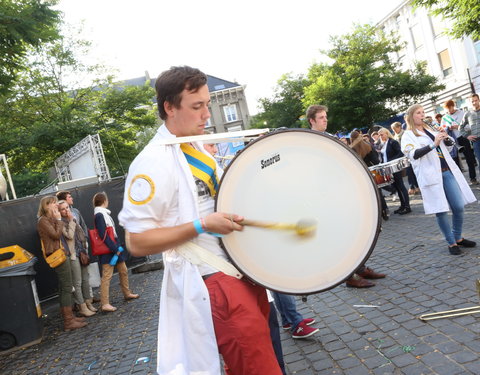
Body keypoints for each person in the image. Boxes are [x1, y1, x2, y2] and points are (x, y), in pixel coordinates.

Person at [118, 66, 282, 375]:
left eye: (207, 103)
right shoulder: (151, 163)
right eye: (197, 106)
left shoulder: (194, 146)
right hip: (212, 278)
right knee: (259, 367)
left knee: (257, 361)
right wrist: (202, 225)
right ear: (169, 108)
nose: (207, 114)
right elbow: (136, 242)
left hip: (241, 269)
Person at [401, 104, 477, 255]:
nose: (422, 115)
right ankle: (451, 242)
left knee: (458, 206)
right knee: (441, 210)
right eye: (418, 113)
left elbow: (448, 147)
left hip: (447, 171)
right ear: (411, 116)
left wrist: (445, 136)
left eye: (423, 112)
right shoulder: (408, 135)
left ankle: (458, 237)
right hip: (431, 176)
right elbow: (413, 155)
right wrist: (434, 143)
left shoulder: (431, 129)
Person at [36, 196, 87, 331]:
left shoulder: (49, 219)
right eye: (52, 203)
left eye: (54, 202)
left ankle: (70, 317)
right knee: (66, 287)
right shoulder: (43, 221)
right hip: (57, 256)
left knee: (65, 287)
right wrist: (59, 219)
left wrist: (57, 219)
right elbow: (56, 235)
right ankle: (68, 321)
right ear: (45, 206)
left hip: (62, 254)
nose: (55, 205)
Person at [93, 192, 139, 312]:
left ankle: (127, 293)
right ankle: (105, 304)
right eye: (106, 199)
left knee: (123, 271)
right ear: (104, 201)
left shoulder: (104, 214)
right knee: (107, 276)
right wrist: (115, 248)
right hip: (109, 250)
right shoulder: (99, 215)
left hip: (114, 247)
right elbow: (103, 234)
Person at [56, 190, 98, 309]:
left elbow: (81, 231)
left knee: (85, 280)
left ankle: (88, 302)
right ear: (59, 211)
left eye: (67, 208)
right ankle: (82, 306)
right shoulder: (60, 223)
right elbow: (69, 235)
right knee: (77, 282)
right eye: (63, 209)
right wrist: (71, 220)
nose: (66, 210)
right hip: (73, 254)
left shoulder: (74, 216)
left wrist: (85, 243)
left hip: (81, 251)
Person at [443, 99, 478, 185]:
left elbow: (469, 126)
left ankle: (472, 178)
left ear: (453, 106)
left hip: (463, 137)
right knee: (455, 160)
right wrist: (447, 128)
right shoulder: (444, 117)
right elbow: (442, 129)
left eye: (450, 107)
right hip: (452, 140)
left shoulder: (462, 113)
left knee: (469, 158)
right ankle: (460, 181)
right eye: (447, 108)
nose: (449, 110)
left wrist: (458, 127)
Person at [378, 128, 411, 215]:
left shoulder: (393, 142)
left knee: (401, 186)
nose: (380, 136)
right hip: (388, 169)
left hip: (395, 167)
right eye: (380, 135)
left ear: (387, 133)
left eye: (382, 134)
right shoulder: (384, 144)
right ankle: (402, 205)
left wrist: (390, 161)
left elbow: (400, 153)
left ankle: (407, 206)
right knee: (396, 187)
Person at [460, 93, 480, 178]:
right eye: (472, 101)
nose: (474, 103)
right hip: (476, 141)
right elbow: (460, 127)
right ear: (470, 103)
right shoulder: (467, 114)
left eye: (476, 100)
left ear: (479, 100)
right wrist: (467, 136)